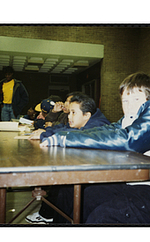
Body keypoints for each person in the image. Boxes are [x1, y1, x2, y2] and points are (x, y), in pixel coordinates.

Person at [40, 72, 150, 225]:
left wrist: (64, 138)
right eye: (125, 100)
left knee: (103, 217)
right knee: (83, 196)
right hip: (146, 185)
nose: (129, 105)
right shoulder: (130, 118)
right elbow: (108, 130)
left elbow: (130, 140)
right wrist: (54, 135)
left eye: (136, 99)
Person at [25, 93, 110, 224]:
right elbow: (64, 128)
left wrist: (45, 135)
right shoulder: (85, 121)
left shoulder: (97, 124)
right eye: (69, 112)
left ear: (86, 115)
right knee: (62, 185)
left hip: (104, 176)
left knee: (65, 186)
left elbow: (76, 134)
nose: (69, 117)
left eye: (73, 113)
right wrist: (46, 133)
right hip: (89, 168)